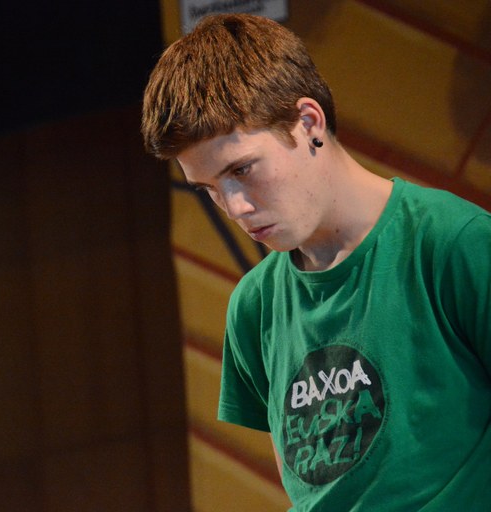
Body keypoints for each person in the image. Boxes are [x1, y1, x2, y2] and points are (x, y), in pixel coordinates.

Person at [141, 12, 491, 511]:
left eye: (242, 169)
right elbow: (309, 488)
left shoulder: (455, 243)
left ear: (308, 123)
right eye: (209, 189)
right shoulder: (254, 307)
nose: (234, 206)